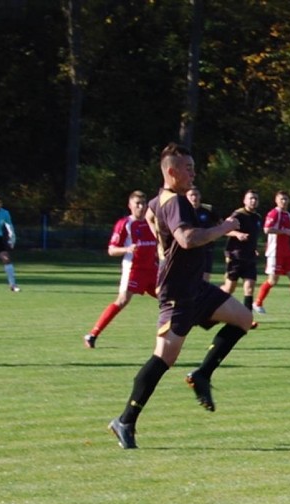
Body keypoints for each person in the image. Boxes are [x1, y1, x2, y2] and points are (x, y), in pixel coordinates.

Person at [108, 143, 251, 449]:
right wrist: (224, 227)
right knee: (164, 358)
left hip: (194, 287)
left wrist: (162, 249)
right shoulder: (175, 202)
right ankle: (125, 421)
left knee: (243, 319)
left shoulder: (161, 200)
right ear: (171, 172)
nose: (193, 172)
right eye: (188, 168)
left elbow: (150, 216)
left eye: (193, 167)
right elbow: (187, 239)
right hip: (177, 293)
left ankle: (202, 374)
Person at [83, 191, 158, 349]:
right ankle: (92, 334)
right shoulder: (125, 224)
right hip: (134, 269)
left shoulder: (152, 222)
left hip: (152, 269)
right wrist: (127, 249)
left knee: (171, 300)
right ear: (130, 205)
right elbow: (111, 250)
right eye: (137, 203)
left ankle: (171, 339)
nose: (141, 206)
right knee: (122, 300)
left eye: (143, 203)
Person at [221, 189, 263, 329]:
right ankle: (210, 306)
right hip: (236, 256)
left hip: (250, 257)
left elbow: (254, 237)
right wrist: (237, 234)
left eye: (255, 198)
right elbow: (225, 229)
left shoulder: (257, 217)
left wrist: (255, 248)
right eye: (250, 198)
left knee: (249, 288)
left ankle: (247, 319)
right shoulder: (238, 214)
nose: (253, 201)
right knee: (228, 289)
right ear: (244, 201)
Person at [186, 186, 220, 282]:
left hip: (206, 249)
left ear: (200, 196)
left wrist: (214, 235)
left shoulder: (208, 210)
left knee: (204, 281)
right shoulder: (182, 211)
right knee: (189, 280)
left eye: (196, 195)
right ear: (186, 197)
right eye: (191, 195)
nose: (194, 198)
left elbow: (221, 225)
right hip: (189, 250)